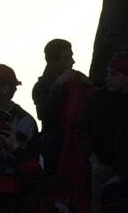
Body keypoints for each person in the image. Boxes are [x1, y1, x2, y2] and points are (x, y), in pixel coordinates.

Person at [84, 52, 128, 182]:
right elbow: (83, 132)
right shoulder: (95, 100)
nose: (108, 78)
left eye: (114, 74)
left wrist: (124, 173)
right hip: (98, 169)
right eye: (109, 73)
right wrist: (93, 161)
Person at [31, 38, 96, 170]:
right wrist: (58, 85)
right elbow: (44, 114)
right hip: (57, 144)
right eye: (67, 58)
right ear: (53, 62)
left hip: (79, 139)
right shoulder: (41, 87)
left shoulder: (77, 78)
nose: (72, 62)